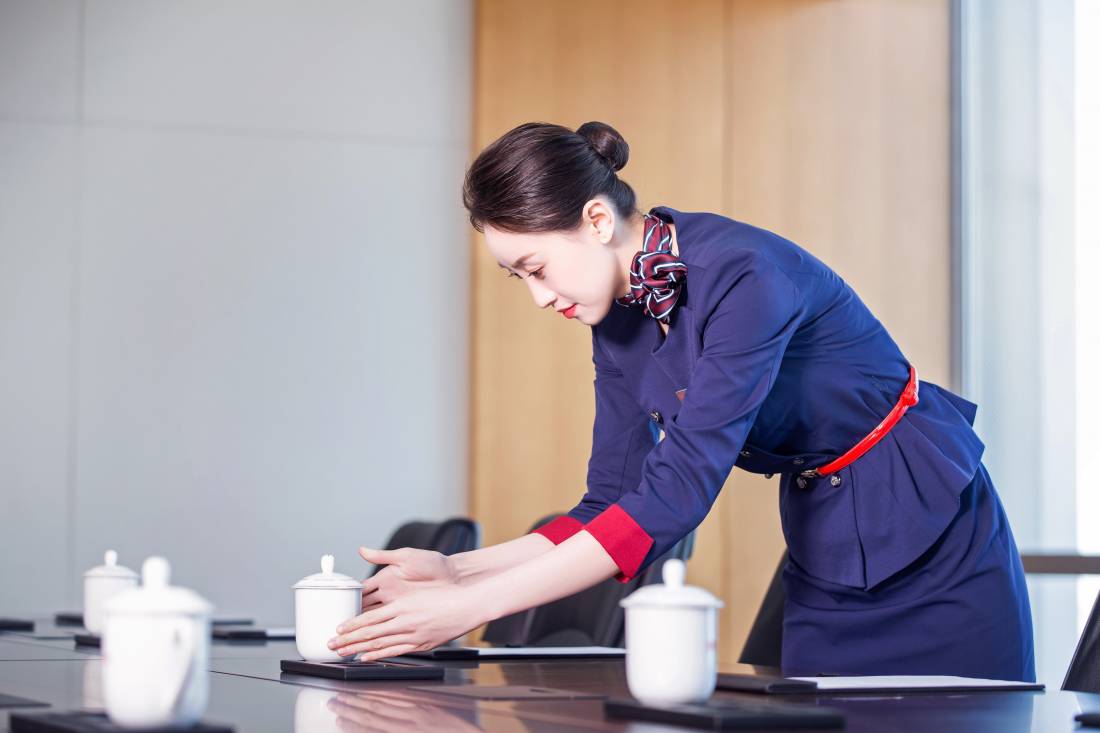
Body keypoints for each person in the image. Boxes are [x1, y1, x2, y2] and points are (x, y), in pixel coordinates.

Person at [326, 121, 1035, 681]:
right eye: (520, 279)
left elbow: (677, 492)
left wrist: (470, 605)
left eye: (537, 268)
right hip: (824, 530)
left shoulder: (745, 274)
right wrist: (460, 570)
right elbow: (610, 500)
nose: (539, 297)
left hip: (928, 522)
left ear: (597, 221)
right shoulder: (615, 319)